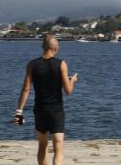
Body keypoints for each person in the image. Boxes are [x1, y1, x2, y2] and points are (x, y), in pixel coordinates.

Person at [14, 35, 78, 165]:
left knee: (42, 145)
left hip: (40, 109)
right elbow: (68, 91)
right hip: (56, 110)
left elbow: (26, 89)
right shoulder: (61, 64)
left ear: (43, 47)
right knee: (58, 147)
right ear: (55, 48)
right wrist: (72, 81)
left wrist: (19, 111)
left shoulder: (32, 64)